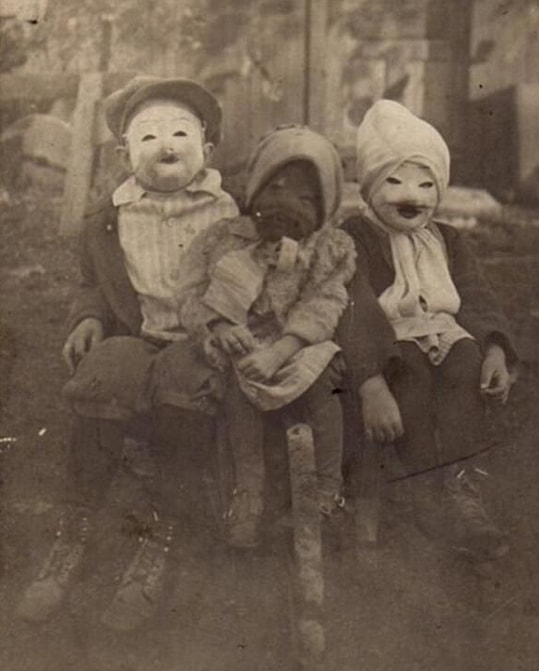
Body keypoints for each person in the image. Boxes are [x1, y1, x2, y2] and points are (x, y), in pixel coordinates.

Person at [16, 76, 239, 630]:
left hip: (200, 340)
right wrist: (89, 318)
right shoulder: (110, 218)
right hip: (138, 335)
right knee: (100, 379)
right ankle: (76, 527)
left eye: (180, 133)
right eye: (148, 136)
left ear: (207, 150)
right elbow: (95, 282)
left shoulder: (230, 215)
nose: (166, 144)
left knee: (184, 396)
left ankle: (160, 535)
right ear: (124, 154)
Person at [339, 100, 519, 563]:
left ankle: (459, 488)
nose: (410, 196)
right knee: (412, 373)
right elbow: (352, 305)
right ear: (369, 187)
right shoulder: (355, 237)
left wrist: (495, 347)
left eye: (425, 184)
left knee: (466, 364)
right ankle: (422, 487)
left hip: (443, 330)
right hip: (389, 336)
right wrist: (368, 376)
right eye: (394, 182)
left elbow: (475, 294)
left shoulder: (447, 240)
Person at [179, 125, 356, 548]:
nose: (286, 204)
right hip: (242, 342)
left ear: (326, 203)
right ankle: (249, 492)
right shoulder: (223, 238)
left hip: (298, 344)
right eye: (274, 187)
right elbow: (190, 291)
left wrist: (283, 349)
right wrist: (219, 326)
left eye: (306, 197)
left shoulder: (330, 248)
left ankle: (327, 493)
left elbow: (325, 303)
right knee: (239, 390)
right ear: (255, 186)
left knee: (324, 389)